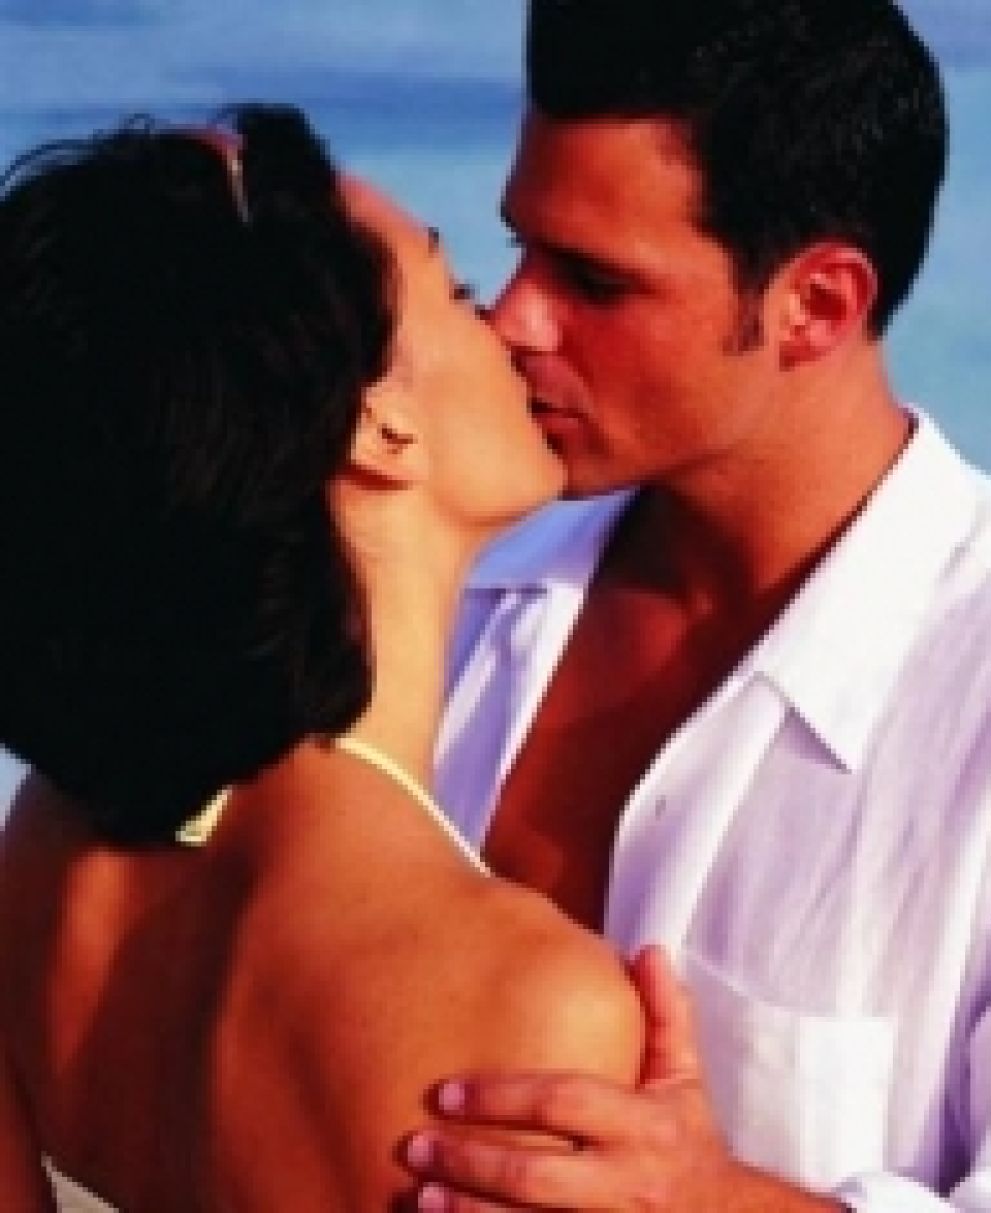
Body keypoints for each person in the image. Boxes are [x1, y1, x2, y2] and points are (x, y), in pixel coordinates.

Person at [405, 0, 991, 1209]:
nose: (513, 317)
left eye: (593, 282)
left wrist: (711, 1203)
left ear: (815, 305)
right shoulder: (453, 588)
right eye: (522, 249)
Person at [0, 104, 643, 1211]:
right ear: (379, 428)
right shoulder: (523, 1000)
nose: (510, 323)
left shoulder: (50, 847)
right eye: (456, 293)